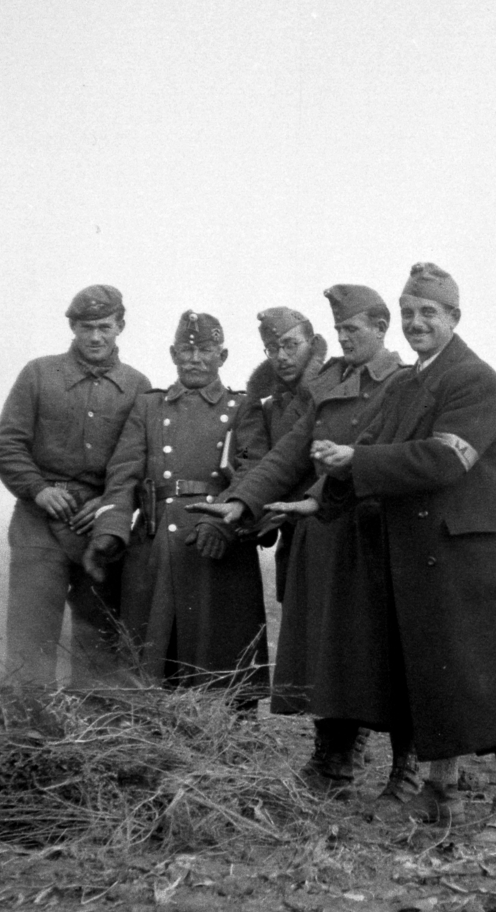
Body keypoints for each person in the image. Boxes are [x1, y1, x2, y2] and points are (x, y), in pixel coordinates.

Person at [313, 263, 496, 845]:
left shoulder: (475, 379)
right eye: (409, 312)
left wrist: (356, 464)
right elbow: (370, 446)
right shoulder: (406, 383)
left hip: (489, 553)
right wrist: (324, 492)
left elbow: (448, 459)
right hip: (434, 552)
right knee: (437, 672)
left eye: (430, 313)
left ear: (454, 319)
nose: (417, 322)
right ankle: (439, 795)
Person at [192, 286, 418, 804]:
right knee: (328, 651)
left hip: (377, 536)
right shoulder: (328, 382)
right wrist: (241, 502)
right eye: (338, 330)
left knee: (392, 653)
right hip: (323, 540)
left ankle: (406, 768)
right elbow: (289, 454)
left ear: (382, 328)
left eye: (352, 330)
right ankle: (334, 760)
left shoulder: (405, 383)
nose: (343, 339)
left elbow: (387, 455)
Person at [82, 311, 269, 692]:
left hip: (217, 539)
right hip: (155, 542)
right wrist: (111, 531)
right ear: (173, 353)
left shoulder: (243, 408)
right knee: (149, 661)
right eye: (186, 350)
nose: (195, 359)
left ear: (223, 355)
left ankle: (224, 729)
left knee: (220, 659)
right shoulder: (149, 407)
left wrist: (225, 521)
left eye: (205, 350)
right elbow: (123, 475)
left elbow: (256, 470)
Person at [0, 285, 150, 686]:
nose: (95, 337)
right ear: (73, 328)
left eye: (104, 327)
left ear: (120, 327)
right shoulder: (39, 374)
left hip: (96, 527)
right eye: (86, 327)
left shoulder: (138, 387)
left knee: (97, 637)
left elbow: (137, 462)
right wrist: (39, 489)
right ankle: (29, 731)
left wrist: (105, 505)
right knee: (30, 635)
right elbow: (8, 443)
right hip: (38, 523)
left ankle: (93, 737)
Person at [232, 307, 332, 604]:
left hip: (328, 528)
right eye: (273, 348)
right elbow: (251, 453)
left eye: (291, 345)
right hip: (290, 536)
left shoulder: (330, 393)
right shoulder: (266, 409)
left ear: (312, 344)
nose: (282, 356)